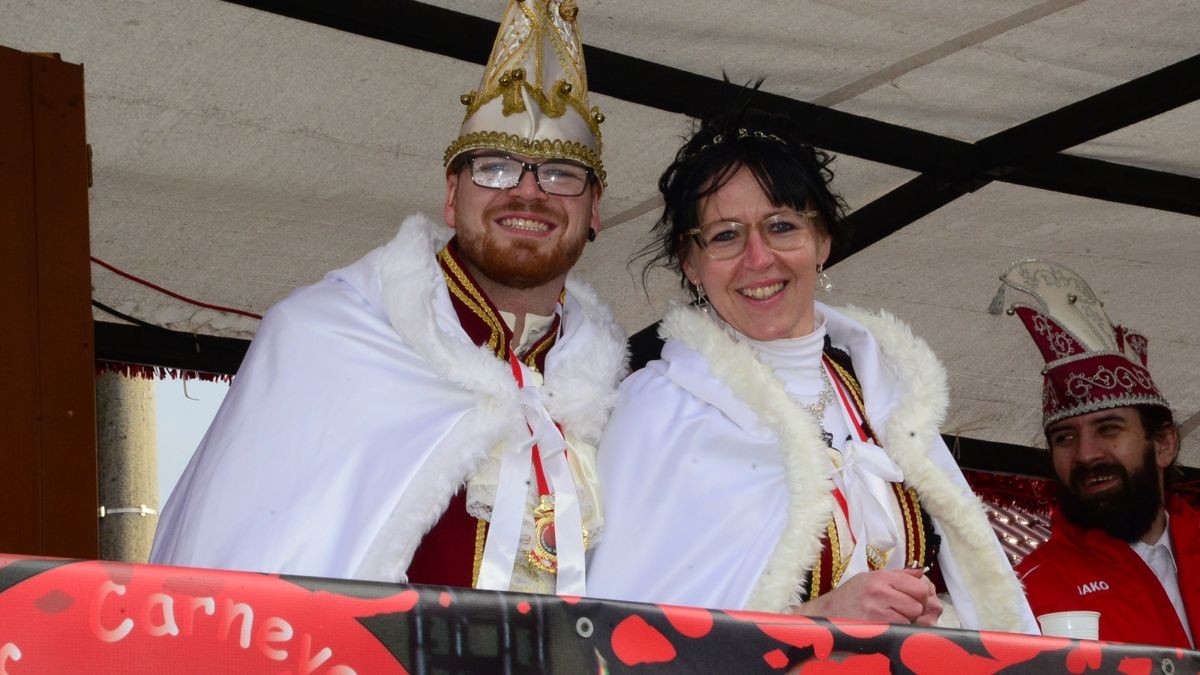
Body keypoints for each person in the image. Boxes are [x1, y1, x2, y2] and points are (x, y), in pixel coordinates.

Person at [150, 0, 627, 597]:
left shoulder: (618, 404)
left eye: (560, 174)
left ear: (594, 213)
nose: (528, 192)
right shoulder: (323, 338)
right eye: (496, 168)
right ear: (452, 195)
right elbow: (236, 590)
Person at [586, 97, 1037, 633]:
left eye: (781, 226)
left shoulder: (883, 393)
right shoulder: (658, 409)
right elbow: (627, 634)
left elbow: (984, 604)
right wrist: (817, 618)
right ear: (691, 262)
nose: (759, 259)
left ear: (821, 240)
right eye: (726, 235)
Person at [997, 258, 1194, 647]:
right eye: (1065, 438)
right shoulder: (1022, 593)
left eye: (1108, 429)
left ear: (1165, 443)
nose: (1086, 455)